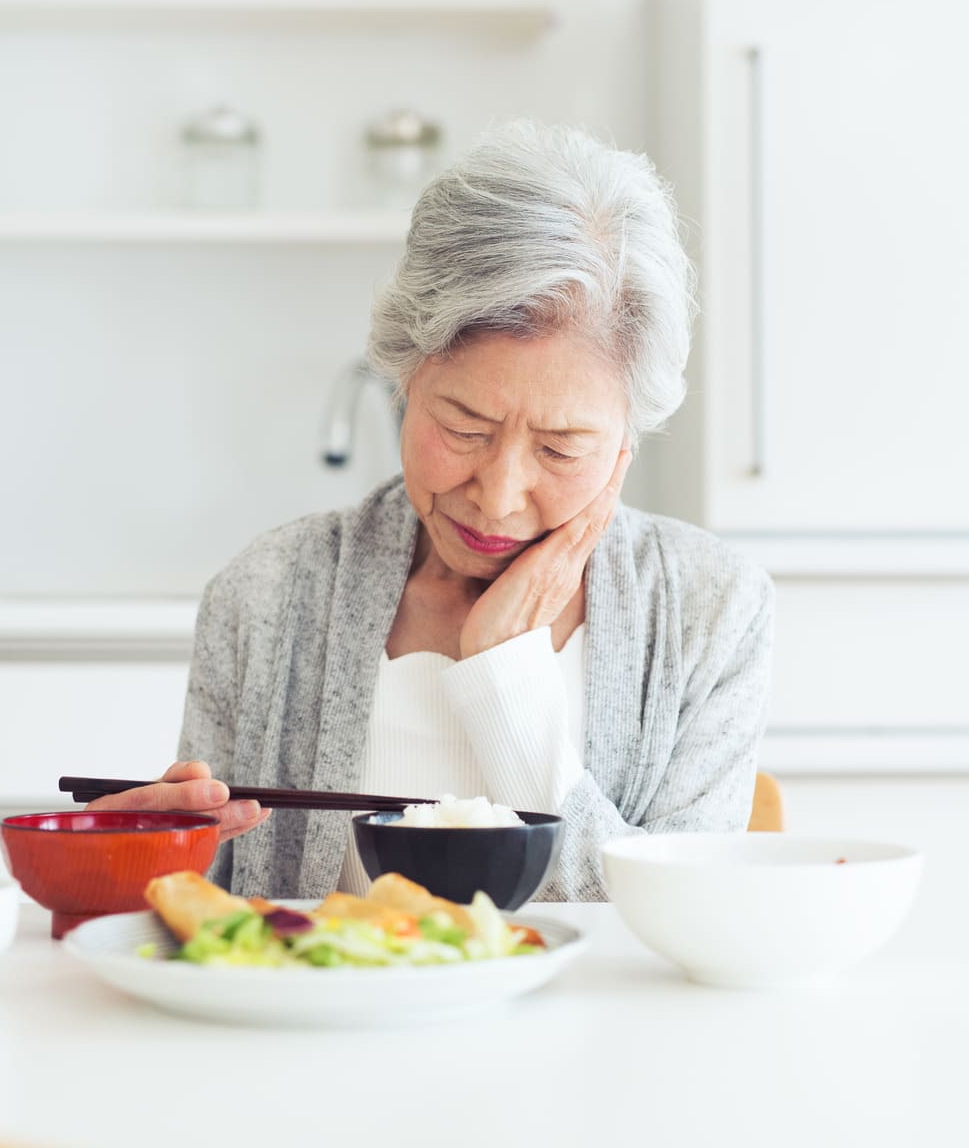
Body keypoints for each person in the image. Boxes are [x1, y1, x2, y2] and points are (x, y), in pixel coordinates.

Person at [91, 121, 774, 900]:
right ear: (403, 378)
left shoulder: (710, 607)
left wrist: (507, 674)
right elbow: (207, 913)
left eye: (560, 449)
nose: (498, 493)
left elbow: (684, 920)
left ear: (627, 443)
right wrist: (131, 866)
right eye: (463, 428)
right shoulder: (270, 592)